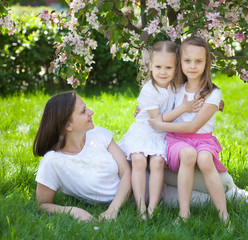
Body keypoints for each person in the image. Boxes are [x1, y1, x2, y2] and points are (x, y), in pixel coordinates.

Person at [118, 41, 203, 219]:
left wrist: (216, 103)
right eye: (157, 66)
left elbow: (198, 94)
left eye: (168, 67)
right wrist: (183, 109)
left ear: (176, 68)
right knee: (139, 160)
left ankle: (153, 208)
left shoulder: (176, 86)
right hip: (144, 131)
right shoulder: (149, 90)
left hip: (163, 133)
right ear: (150, 66)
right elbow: (156, 120)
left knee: (157, 163)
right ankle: (141, 208)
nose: (162, 72)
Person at [148, 36, 229, 223]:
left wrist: (161, 125)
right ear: (180, 62)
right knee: (188, 154)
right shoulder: (176, 88)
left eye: (198, 61)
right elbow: (159, 107)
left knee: (204, 159)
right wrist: (143, 110)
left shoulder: (213, 94)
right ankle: (184, 214)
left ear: (206, 63)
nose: (192, 66)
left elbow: (193, 126)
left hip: (204, 141)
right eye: (187, 61)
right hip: (177, 140)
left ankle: (224, 215)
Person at [33, 91, 132, 221]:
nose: (91, 112)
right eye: (83, 111)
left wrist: (112, 209)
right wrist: (70, 210)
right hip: (144, 194)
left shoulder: (98, 134)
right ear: (68, 125)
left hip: (146, 174)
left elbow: (126, 171)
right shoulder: (53, 162)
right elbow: (42, 204)